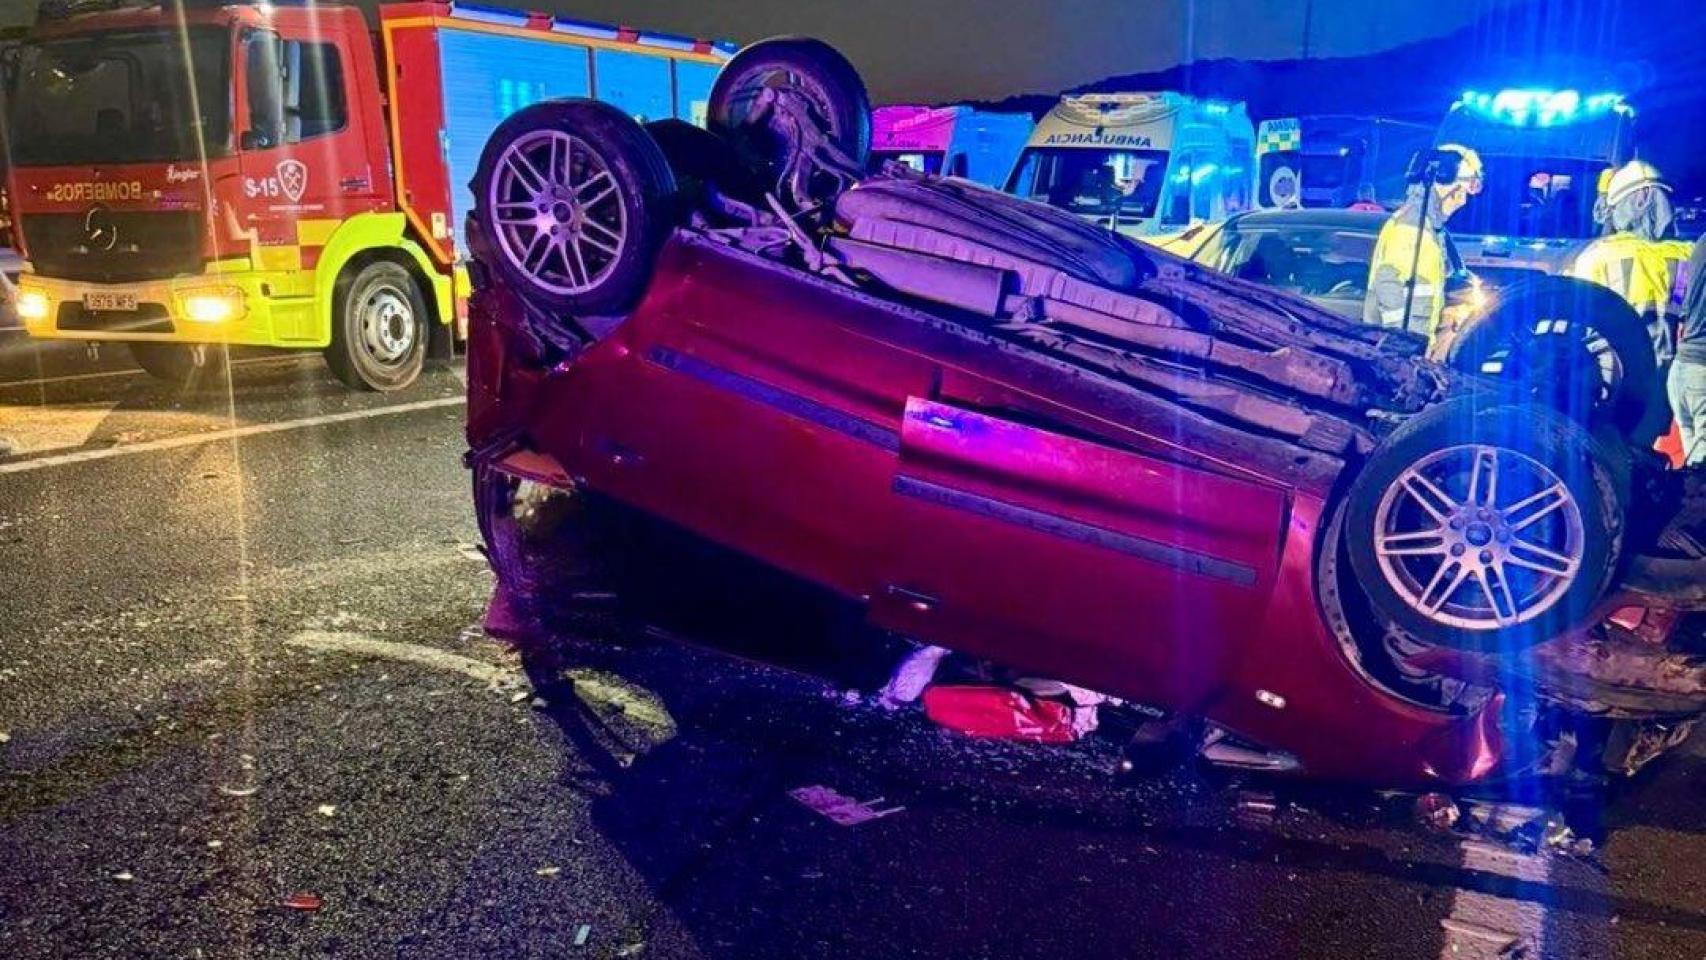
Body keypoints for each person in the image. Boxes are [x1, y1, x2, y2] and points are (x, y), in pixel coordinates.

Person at [1568, 160, 1693, 443]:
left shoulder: (1597, 256)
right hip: (1672, 380)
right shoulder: (1688, 254)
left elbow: (1575, 319)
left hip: (1615, 379)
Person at [1364, 144, 1483, 339]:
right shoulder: (1414, 229)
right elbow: (1395, 298)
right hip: (1403, 348)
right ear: (1450, 189)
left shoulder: (1428, 227)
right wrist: (1410, 345)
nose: (1463, 201)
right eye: (1463, 191)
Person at [1672, 238, 1706, 464]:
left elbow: (1680, 307)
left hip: (1681, 371)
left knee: (1693, 470)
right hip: (1701, 374)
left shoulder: (1699, 245)